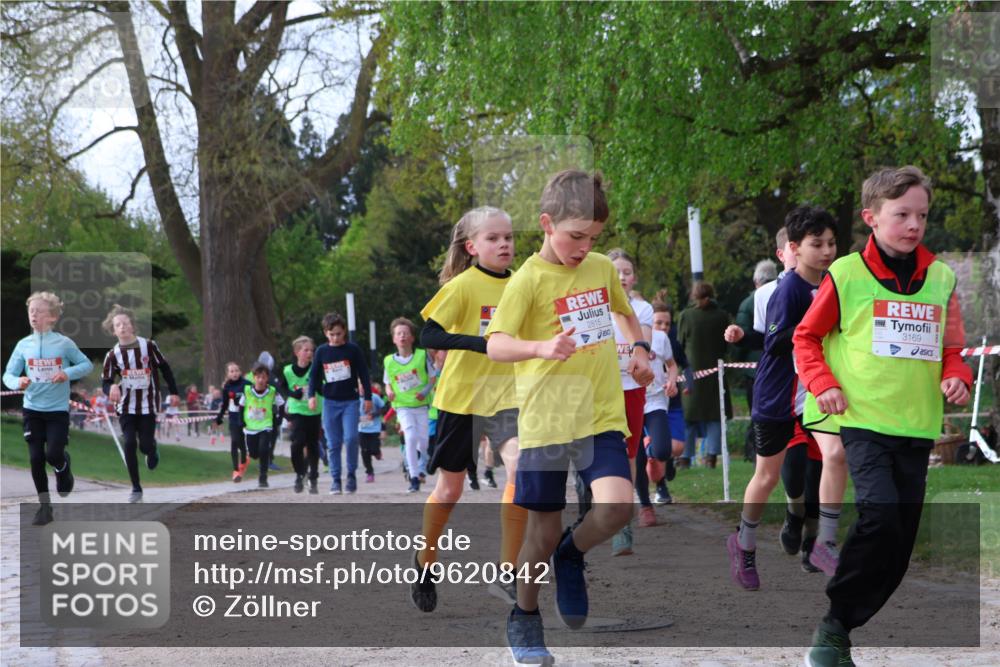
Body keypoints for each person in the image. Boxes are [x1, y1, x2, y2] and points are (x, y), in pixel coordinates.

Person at [794, 167, 971, 666]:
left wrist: (957, 376)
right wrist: (823, 384)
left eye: (922, 215)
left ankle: (839, 626)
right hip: (863, 420)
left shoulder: (942, 277)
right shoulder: (845, 273)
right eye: (902, 215)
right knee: (880, 514)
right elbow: (805, 339)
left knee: (898, 542)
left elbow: (952, 348)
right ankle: (832, 629)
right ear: (872, 218)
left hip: (917, 427)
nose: (914, 224)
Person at [485, 170, 654, 664]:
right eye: (576, 236)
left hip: (600, 413)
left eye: (593, 238)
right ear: (546, 224)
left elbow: (625, 313)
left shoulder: (601, 268)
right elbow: (495, 344)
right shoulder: (527, 282)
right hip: (547, 421)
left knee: (616, 507)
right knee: (540, 532)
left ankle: (572, 553)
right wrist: (540, 346)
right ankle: (525, 615)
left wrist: (640, 348)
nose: (584, 247)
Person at [409, 206, 523, 612]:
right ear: (472, 247)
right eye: (493, 238)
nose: (504, 244)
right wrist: (483, 344)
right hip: (461, 398)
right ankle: (425, 562)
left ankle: (508, 572)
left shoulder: (524, 282)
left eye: (508, 237)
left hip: (508, 396)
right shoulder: (463, 286)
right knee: (450, 490)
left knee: (520, 468)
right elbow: (428, 334)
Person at [723, 206, 838, 591]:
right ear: (793, 249)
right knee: (767, 476)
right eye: (816, 244)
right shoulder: (787, 288)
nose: (826, 251)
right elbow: (773, 341)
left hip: (815, 395)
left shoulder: (829, 285)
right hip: (777, 398)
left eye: (831, 243)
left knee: (835, 455)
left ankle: (823, 542)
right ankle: (744, 543)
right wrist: (814, 330)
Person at [2, 292, 93, 525]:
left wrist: (67, 373)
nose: (33, 315)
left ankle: (63, 467)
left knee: (53, 454)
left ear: (52, 317)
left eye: (39, 311)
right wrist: (17, 382)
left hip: (57, 411)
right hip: (32, 409)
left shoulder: (63, 343)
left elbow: (86, 364)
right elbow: (8, 374)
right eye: (31, 311)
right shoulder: (24, 345)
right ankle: (45, 507)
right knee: (35, 458)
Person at [100, 304, 180, 503]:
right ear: (113, 330)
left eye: (126, 323)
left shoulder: (148, 346)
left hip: (148, 404)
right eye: (118, 325)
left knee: (144, 445)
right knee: (129, 443)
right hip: (126, 406)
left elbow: (165, 368)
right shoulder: (112, 355)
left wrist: (174, 392)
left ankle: (151, 449)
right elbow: (106, 381)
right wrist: (111, 388)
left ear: (133, 326)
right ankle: (136, 487)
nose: (123, 327)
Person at [604, 249, 654, 555]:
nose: (621, 277)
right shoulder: (594, 308)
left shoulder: (643, 308)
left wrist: (642, 357)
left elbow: (643, 346)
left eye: (626, 272)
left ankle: (622, 523)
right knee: (598, 449)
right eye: (616, 271)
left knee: (629, 453)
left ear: (633, 277)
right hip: (599, 388)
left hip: (631, 388)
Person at [308, 312, 372, 495]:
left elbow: (364, 374)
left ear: (344, 331)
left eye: (338, 333)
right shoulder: (321, 351)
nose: (335, 338)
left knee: (351, 438)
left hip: (350, 402)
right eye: (331, 334)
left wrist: (367, 397)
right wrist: (312, 395)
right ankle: (336, 480)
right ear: (326, 333)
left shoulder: (353, 350)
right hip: (330, 402)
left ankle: (351, 474)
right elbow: (314, 376)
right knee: (333, 442)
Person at [677, 282, 732, 467]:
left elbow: (680, 344)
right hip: (716, 373)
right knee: (715, 416)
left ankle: (684, 457)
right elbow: (726, 346)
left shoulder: (686, 316)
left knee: (688, 416)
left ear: (693, 296)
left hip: (691, 372)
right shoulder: (722, 316)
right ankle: (711, 457)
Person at [384, 317, 436, 492]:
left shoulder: (422, 356)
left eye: (406, 333)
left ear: (412, 337)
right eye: (399, 334)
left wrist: (424, 391)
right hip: (402, 406)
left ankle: (422, 465)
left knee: (423, 443)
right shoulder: (389, 361)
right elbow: (387, 381)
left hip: (421, 406)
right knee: (410, 438)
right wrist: (389, 390)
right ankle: (414, 477)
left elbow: (432, 378)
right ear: (394, 338)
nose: (402, 336)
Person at [640, 299, 680, 522]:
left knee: (664, 450)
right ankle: (645, 507)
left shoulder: (661, 339)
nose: (661, 327)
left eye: (666, 323)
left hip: (655, 400)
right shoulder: (624, 336)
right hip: (632, 399)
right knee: (634, 458)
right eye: (657, 322)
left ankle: (651, 448)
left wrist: (672, 381)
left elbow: (672, 364)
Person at [281, 336, 323, 494]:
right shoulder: (287, 371)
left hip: (314, 410)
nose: (309, 353)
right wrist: (293, 393)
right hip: (297, 410)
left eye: (311, 350)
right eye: (306, 350)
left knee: (312, 444)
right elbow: (281, 388)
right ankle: (300, 473)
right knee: (297, 444)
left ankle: (313, 477)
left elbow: (321, 387)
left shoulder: (316, 368)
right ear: (297, 352)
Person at [238, 362, 285, 488]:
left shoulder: (272, 391)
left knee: (264, 450)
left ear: (267, 378)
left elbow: (281, 404)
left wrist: (280, 417)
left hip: (266, 425)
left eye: (263, 377)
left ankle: (263, 477)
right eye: (258, 377)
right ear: (254, 378)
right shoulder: (247, 391)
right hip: (251, 427)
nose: (261, 380)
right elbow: (241, 406)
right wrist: (240, 420)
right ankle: (257, 455)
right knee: (254, 453)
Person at [215, 362, 251, 482]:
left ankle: (244, 460)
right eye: (232, 371)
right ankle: (236, 470)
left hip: (245, 418)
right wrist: (219, 418)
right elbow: (225, 404)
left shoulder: (247, 384)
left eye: (236, 370)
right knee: (234, 441)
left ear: (240, 372)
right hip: (233, 417)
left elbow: (253, 400)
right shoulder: (227, 387)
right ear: (228, 374)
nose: (234, 373)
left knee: (241, 442)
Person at [359, 382, 385, 483]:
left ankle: (377, 452)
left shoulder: (374, 397)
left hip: (374, 428)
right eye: (360, 388)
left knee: (373, 449)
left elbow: (384, 408)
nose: (362, 390)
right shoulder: (355, 399)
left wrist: (374, 414)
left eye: (363, 387)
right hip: (362, 429)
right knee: (365, 451)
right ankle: (369, 472)